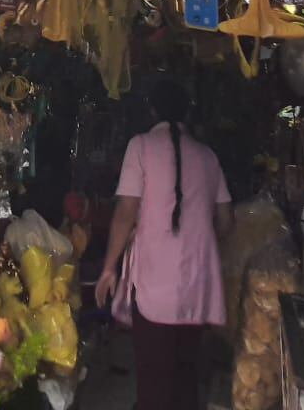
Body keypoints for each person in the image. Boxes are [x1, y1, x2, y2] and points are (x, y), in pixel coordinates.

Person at [96, 79, 233, 410]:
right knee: (186, 377)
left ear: (152, 111)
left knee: (154, 382)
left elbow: (125, 212)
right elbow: (227, 223)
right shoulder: (208, 156)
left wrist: (108, 269)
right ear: (187, 113)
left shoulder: (140, 146)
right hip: (197, 286)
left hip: (153, 285)